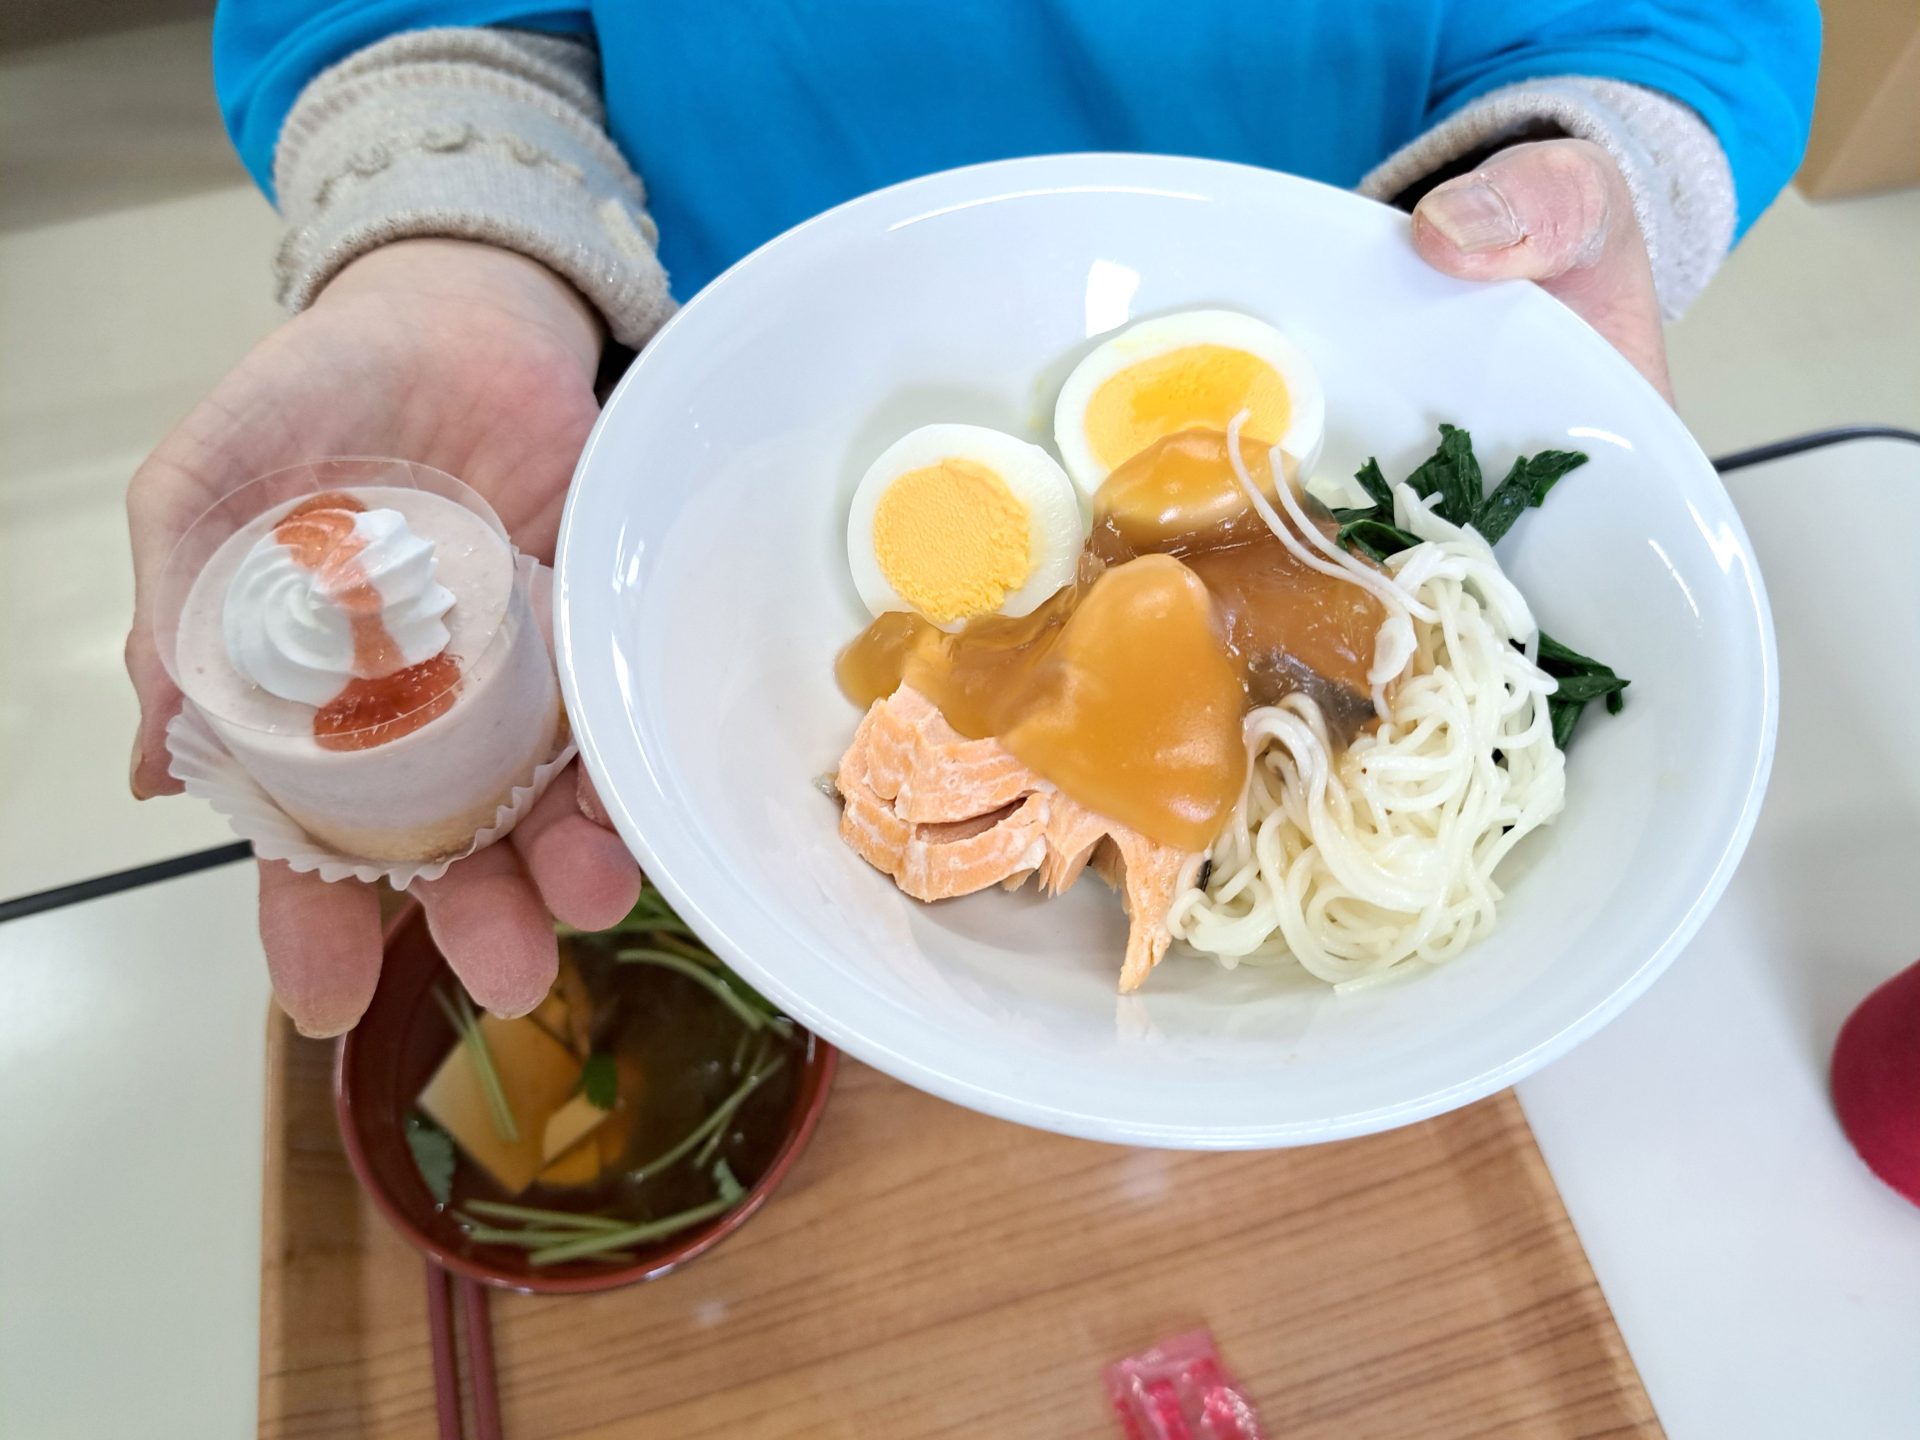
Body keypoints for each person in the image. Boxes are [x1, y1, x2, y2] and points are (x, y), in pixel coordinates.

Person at [127, 1, 1819, 1037]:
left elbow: (1675, 21)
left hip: (1370, 292)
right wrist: (459, 238)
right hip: (651, 448)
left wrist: (1586, 156)